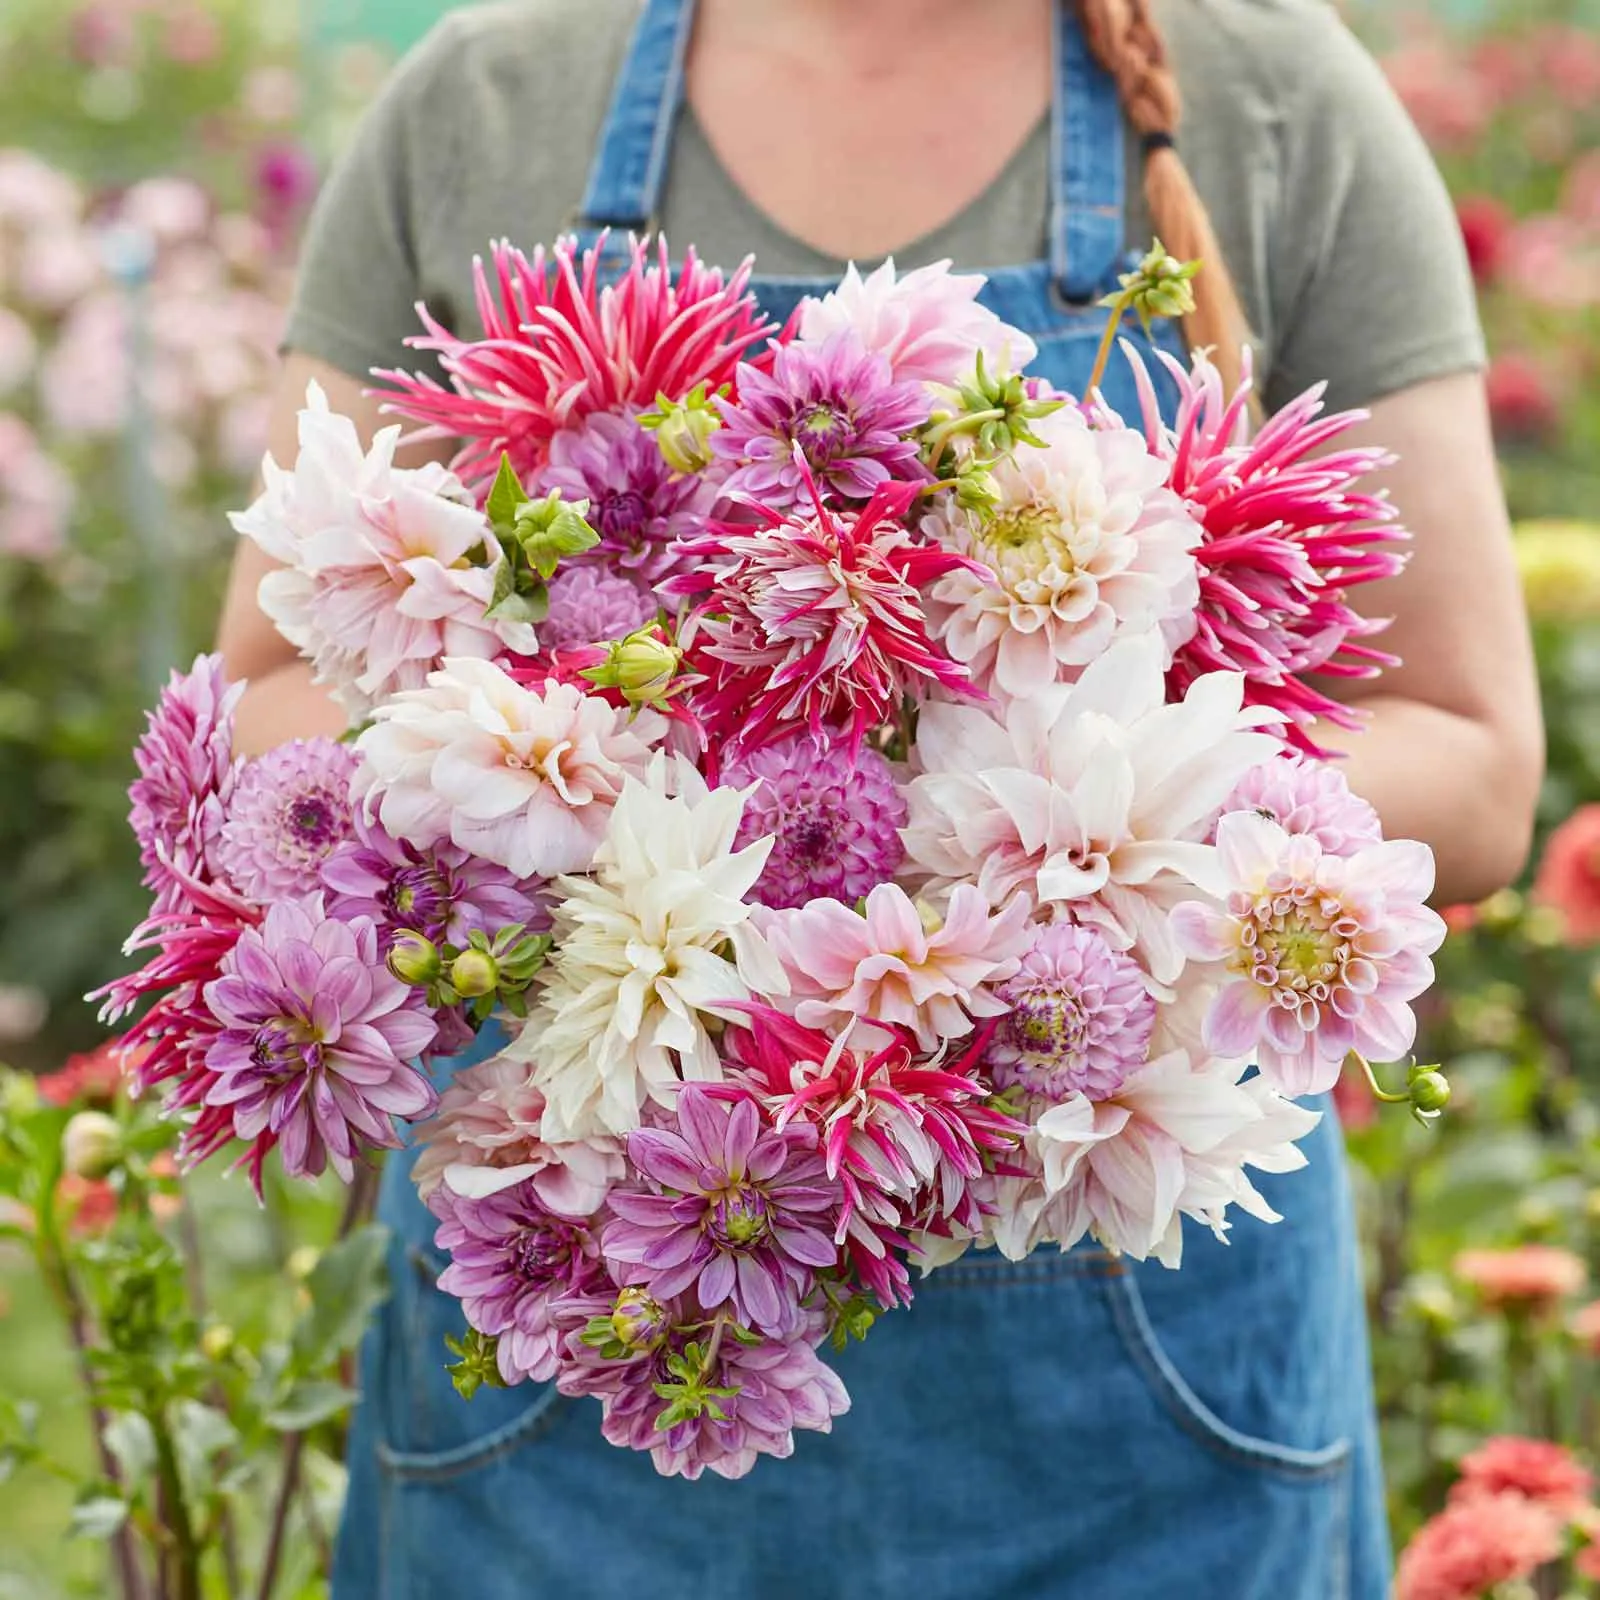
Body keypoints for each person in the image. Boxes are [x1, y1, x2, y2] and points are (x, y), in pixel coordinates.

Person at [216, 1, 1544, 1595]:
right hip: (586, 1340)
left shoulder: (1268, 93)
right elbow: (269, 691)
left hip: (1139, 1373)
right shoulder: (487, 102)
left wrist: (1044, 840)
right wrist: (600, 788)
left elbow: (1468, 751)